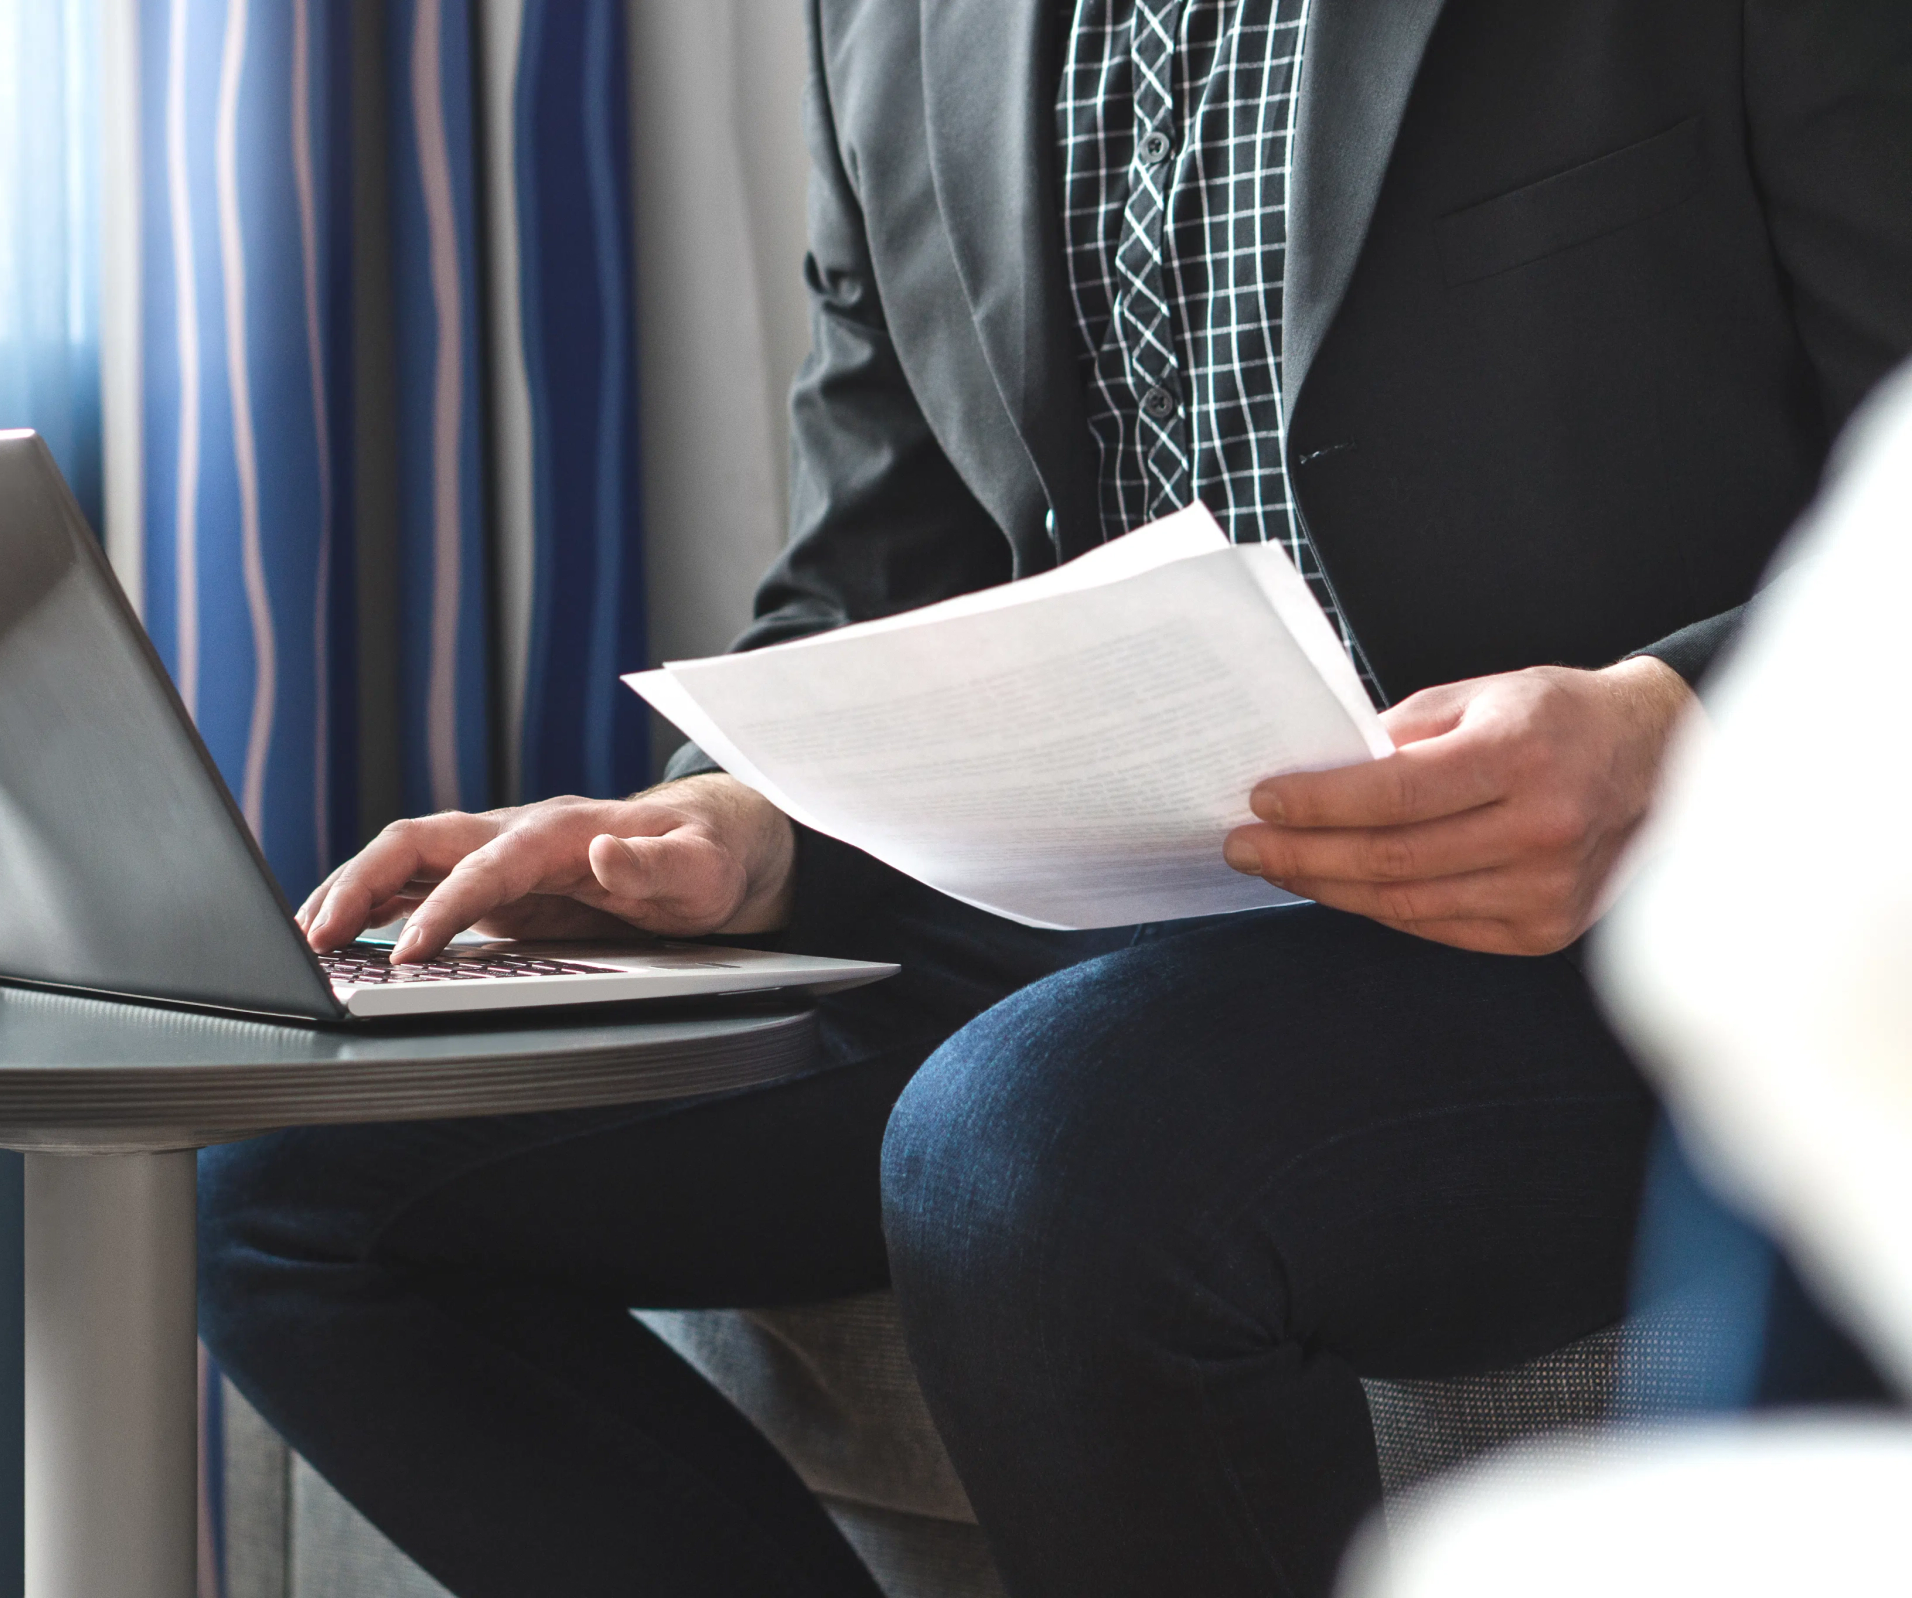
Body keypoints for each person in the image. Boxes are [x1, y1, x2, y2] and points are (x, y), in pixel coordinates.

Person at [198, 4, 1912, 1595]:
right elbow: (875, 568)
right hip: (1079, 917)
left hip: (1631, 927)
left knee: (1033, 1158)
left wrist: (1671, 724)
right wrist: (739, 818)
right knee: (295, 1178)